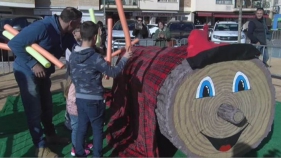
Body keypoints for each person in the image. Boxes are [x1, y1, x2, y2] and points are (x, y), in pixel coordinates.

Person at [7, 7, 82, 157]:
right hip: (26, 70)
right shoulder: (42, 27)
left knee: (47, 105)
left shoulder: (65, 34)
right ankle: (40, 148)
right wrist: (33, 64)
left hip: (44, 73)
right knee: (34, 108)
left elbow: (75, 49)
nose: (79, 27)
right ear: (72, 22)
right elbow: (14, 44)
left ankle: (50, 135)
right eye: (79, 24)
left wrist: (92, 53)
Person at [69, 21, 132, 157]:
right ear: (94, 38)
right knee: (97, 129)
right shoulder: (95, 58)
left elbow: (72, 75)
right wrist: (125, 58)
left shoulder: (73, 56)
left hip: (79, 98)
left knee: (82, 127)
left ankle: (80, 153)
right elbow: (113, 72)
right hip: (95, 100)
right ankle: (97, 155)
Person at [64, 76, 93, 156]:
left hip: (79, 110)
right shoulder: (74, 82)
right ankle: (75, 148)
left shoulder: (78, 79)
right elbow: (71, 98)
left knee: (82, 128)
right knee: (76, 129)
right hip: (75, 111)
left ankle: (82, 144)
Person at [64, 26, 82, 131]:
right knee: (71, 98)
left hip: (75, 75)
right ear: (74, 33)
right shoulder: (72, 46)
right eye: (81, 30)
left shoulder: (79, 44)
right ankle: (69, 120)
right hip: (73, 75)